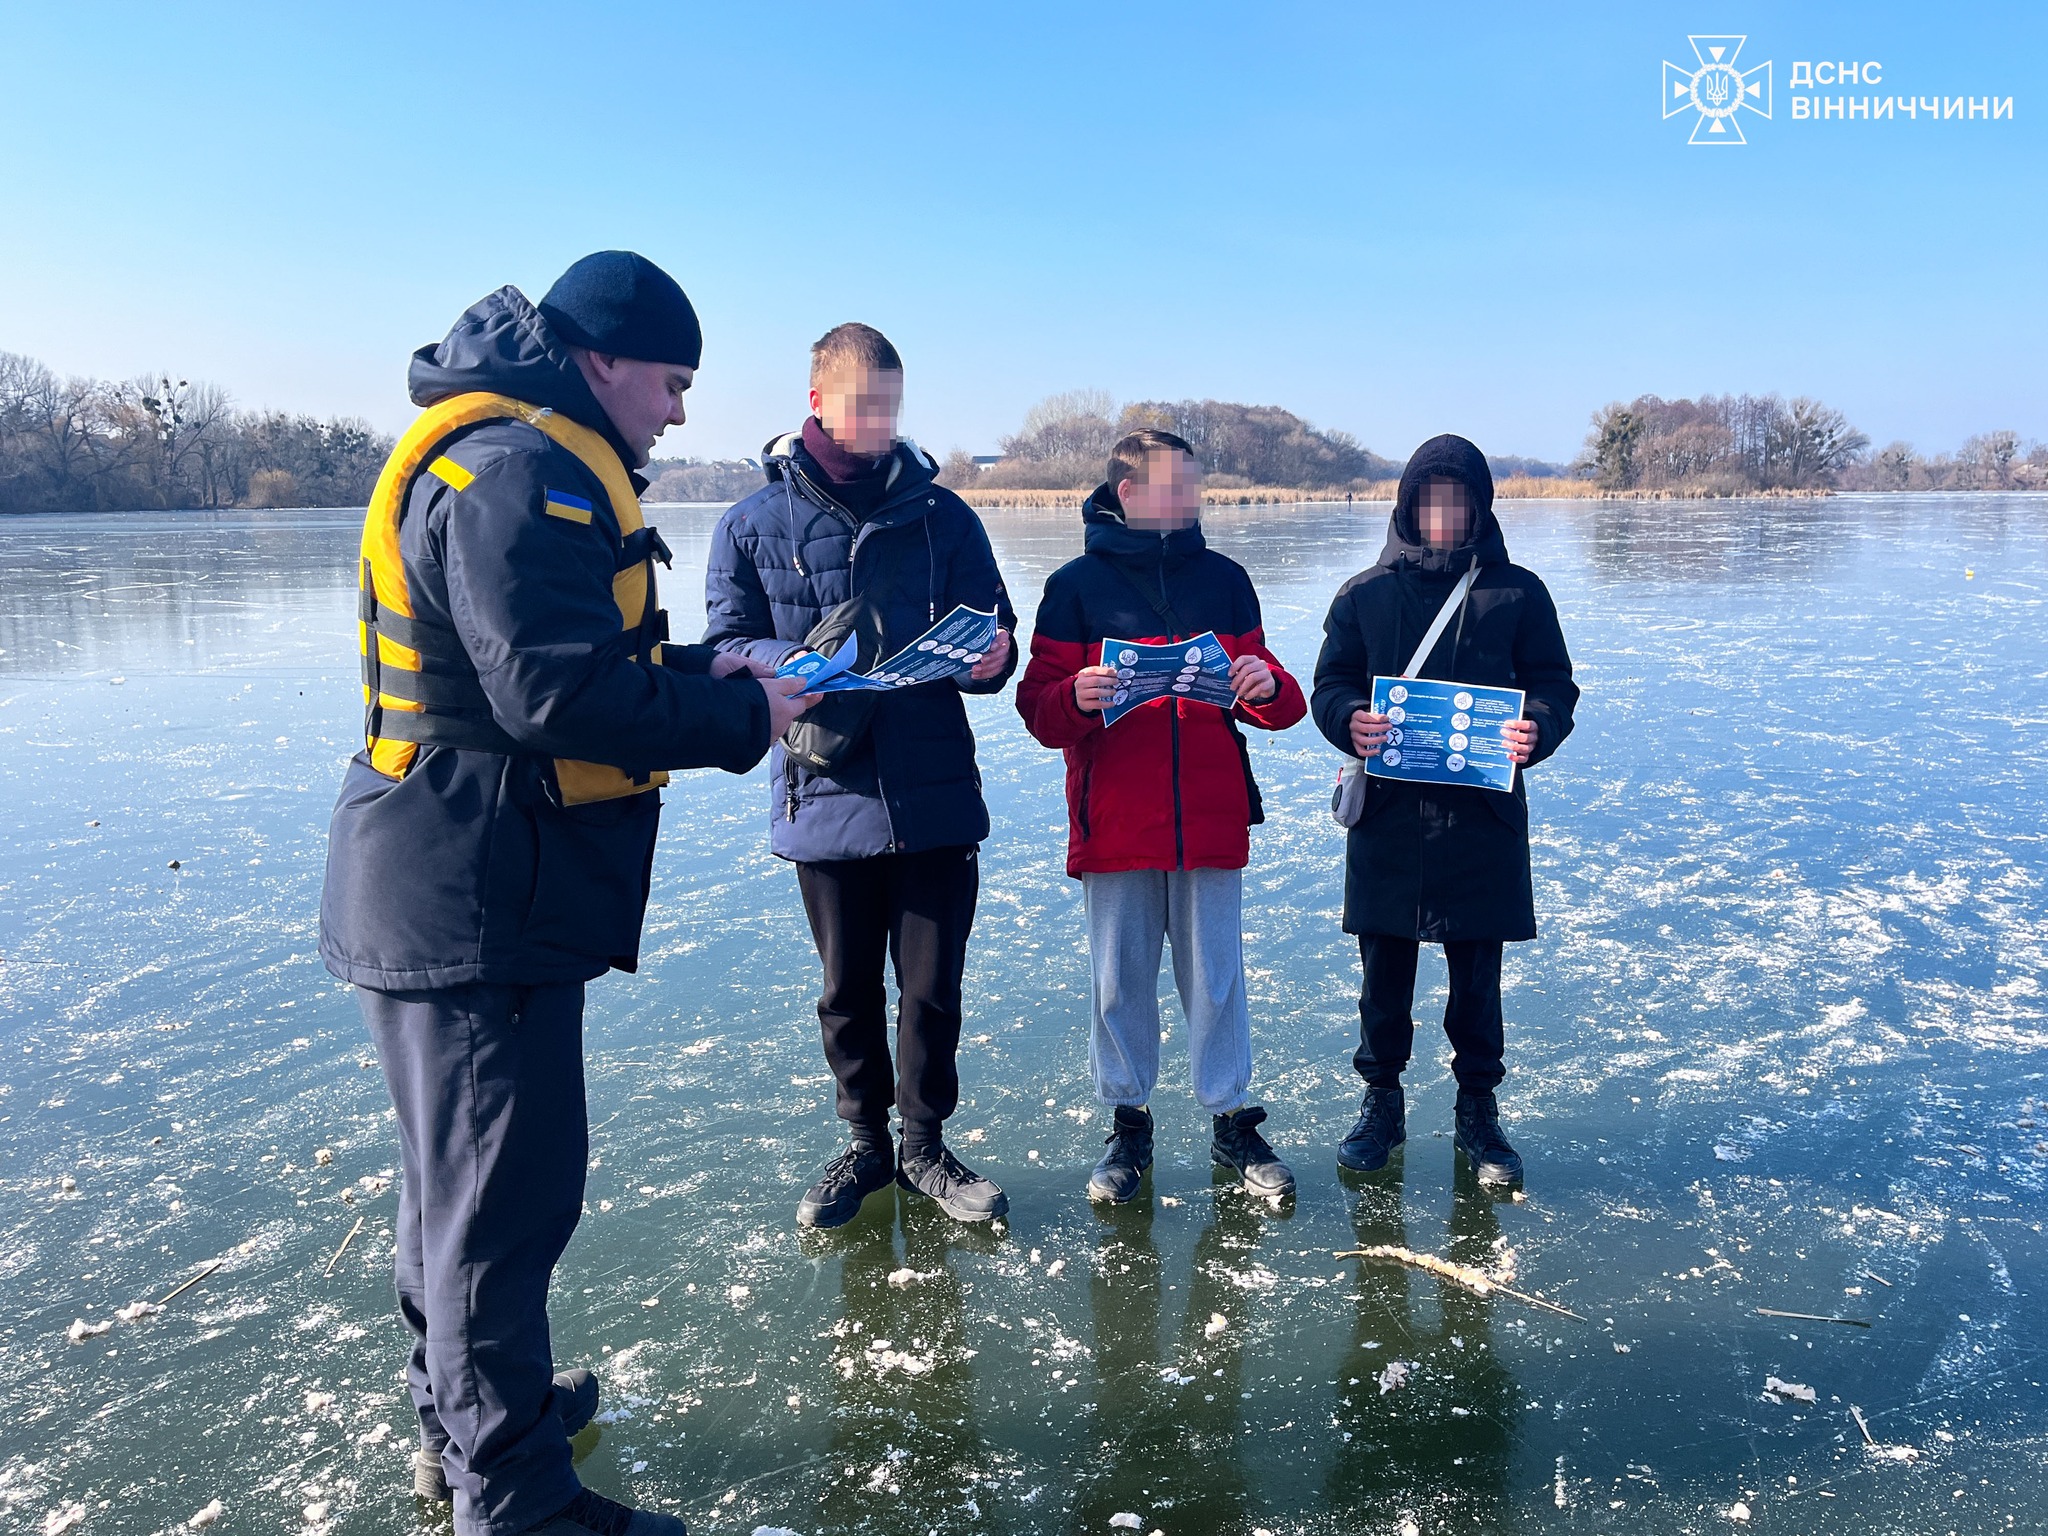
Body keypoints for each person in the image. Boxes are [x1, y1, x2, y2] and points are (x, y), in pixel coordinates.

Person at [319, 252, 813, 1536]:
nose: (679, 411)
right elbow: (553, 697)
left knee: (452, 1185)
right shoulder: (522, 474)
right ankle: (518, 1496)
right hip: (478, 891)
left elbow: (547, 666)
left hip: (448, 874)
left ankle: (471, 1420)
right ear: (601, 361)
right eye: (670, 380)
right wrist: (740, 712)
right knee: (500, 1200)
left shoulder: (497, 454)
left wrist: (719, 665)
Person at [703, 322, 1018, 1229]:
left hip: (934, 791)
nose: (880, 422)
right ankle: (867, 1145)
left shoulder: (944, 516)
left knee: (932, 985)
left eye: (891, 406)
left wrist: (990, 656)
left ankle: (925, 1145)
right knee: (846, 988)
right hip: (825, 790)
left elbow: (996, 634)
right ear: (817, 404)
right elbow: (725, 646)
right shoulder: (751, 524)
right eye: (862, 405)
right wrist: (801, 660)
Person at [1015, 429, 1307, 1203]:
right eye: (1174, 486)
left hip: (1210, 816)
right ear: (1128, 492)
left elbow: (1279, 699)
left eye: (1195, 486)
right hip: (1115, 820)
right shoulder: (1074, 586)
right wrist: (1071, 696)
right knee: (1119, 982)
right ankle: (1128, 1125)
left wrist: (1265, 686)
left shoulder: (1226, 579)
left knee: (1216, 980)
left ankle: (1232, 1125)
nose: (1190, 501)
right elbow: (1037, 707)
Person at [1310, 433, 1577, 1186]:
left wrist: (1539, 728)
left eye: (1460, 501)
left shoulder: (1518, 593)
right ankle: (1381, 1103)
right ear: (1409, 505)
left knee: (1477, 983)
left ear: (1480, 507)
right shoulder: (1365, 594)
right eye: (1432, 500)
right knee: (1383, 979)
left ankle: (1478, 1112)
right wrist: (1349, 720)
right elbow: (1328, 686)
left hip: (1480, 828)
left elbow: (1555, 686)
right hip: (1390, 823)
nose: (1445, 514)